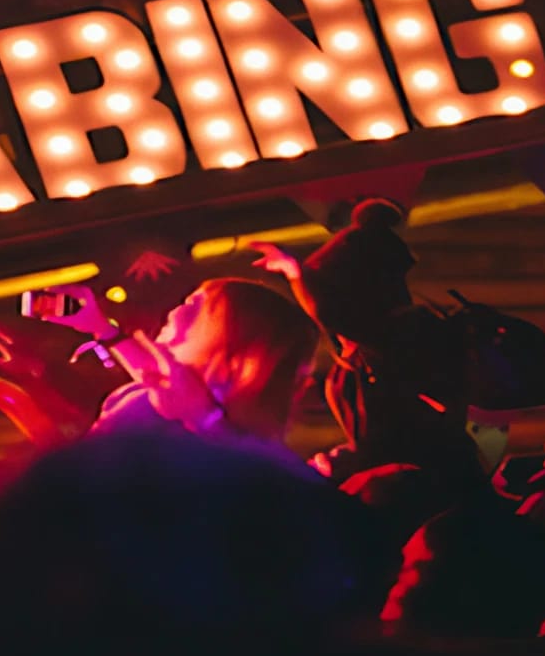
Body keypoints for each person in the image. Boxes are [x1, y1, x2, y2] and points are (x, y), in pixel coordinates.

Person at [254, 199, 484, 485]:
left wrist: (298, 275)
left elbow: (408, 443)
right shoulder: (357, 355)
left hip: (432, 491)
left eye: (327, 291)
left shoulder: (409, 338)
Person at [52, 276, 319, 468]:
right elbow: (156, 376)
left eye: (196, 305)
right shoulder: (203, 411)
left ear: (229, 336)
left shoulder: (166, 414)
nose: (177, 309)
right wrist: (101, 327)